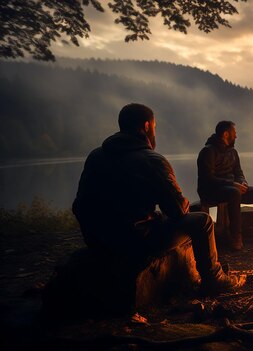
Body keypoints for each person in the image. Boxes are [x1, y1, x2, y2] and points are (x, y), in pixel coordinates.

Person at [72, 103, 240, 297]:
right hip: (135, 241)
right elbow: (177, 210)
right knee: (203, 221)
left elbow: (80, 204)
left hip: (97, 239)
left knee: (193, 209)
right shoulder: (152, 160)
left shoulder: (95, 156)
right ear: (146, 126)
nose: (154, 132)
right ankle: (214, 279)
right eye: (154, 127)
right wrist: (178, 199)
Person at [197, 121, 253, 251]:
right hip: (211, 190)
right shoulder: (207, 151)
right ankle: (236, 238)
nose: (236, 136)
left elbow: (239, 173)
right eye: (234, 133)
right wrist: (232, 184)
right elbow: (208, 179)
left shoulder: (232, 152)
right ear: (226, 134)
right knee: (234, 193)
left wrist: (242, 182)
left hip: (233, 188)